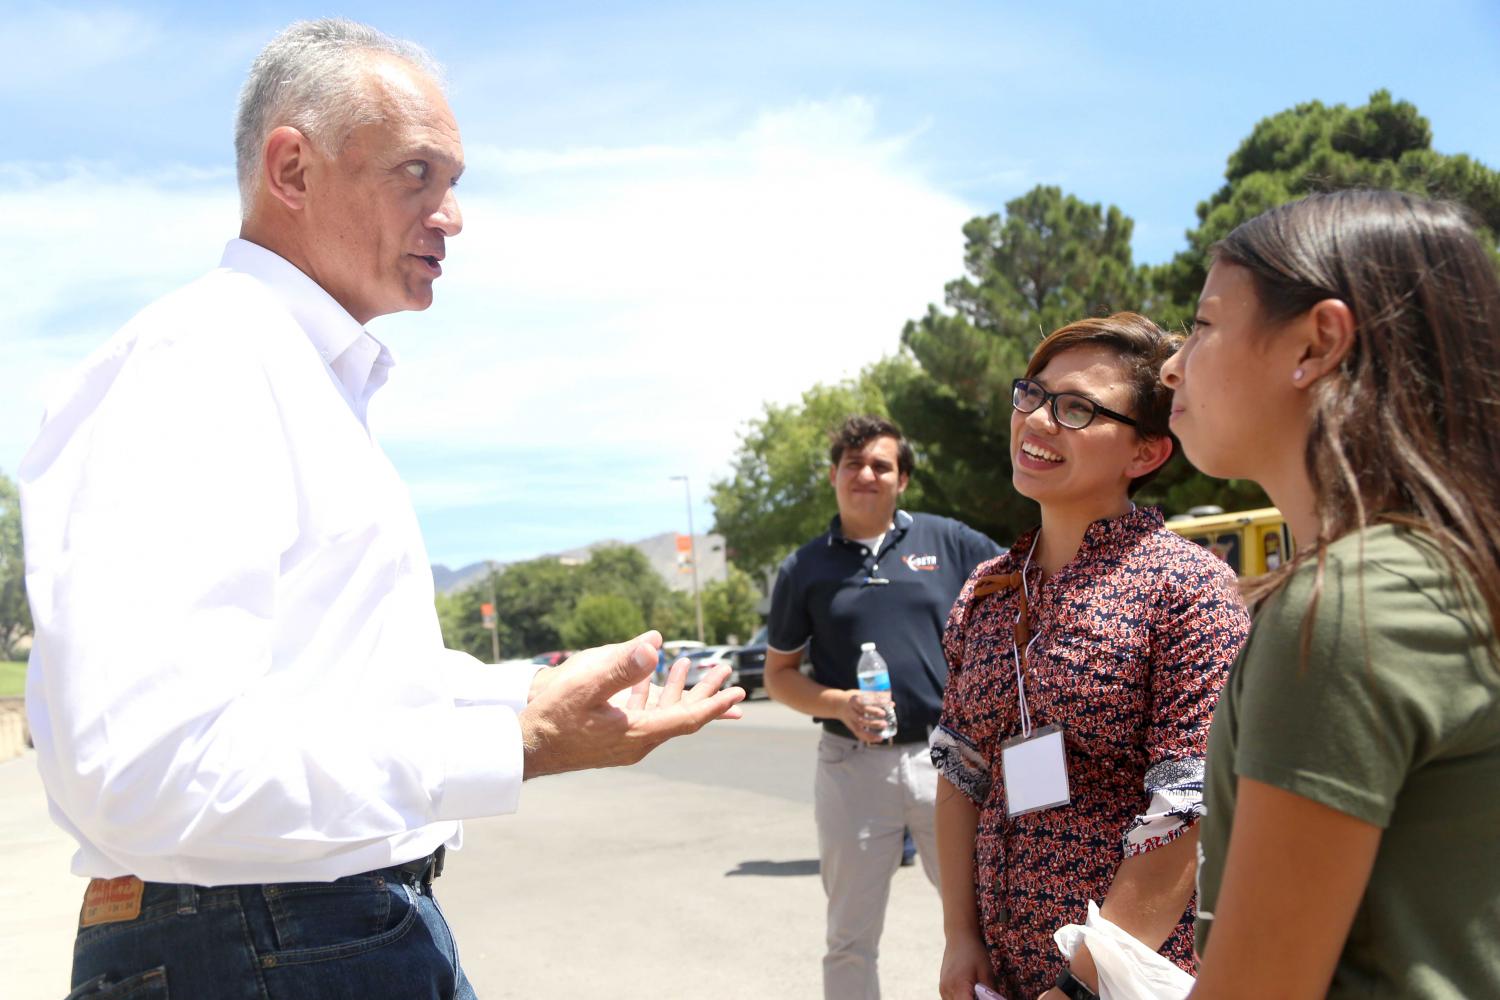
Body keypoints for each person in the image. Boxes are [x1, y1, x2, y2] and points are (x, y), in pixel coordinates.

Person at [19, 19, 743, 999]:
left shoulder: (293, 376)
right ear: (292, 168)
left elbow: (347, 681)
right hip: (258, 942)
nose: (452, 215)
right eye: (417, 174)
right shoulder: (203, 364)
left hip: (312, 933)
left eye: (455, 182)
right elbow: (149, 768)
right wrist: (517, 743)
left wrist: (531, 694)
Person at [1162, 190, 1500, 998]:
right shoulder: (1437, 575)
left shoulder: (1344, 611)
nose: (1173, 363)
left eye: (1204, 325)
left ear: (1315, 345)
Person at [932, 313, 1251, 1000]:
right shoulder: (986, 592)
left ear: (1146, 454)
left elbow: (1187, 810)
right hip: (1001, 972)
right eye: (1033, 394)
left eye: (1076, 408)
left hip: (1127, 981)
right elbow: (961, 775)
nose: (1039, 420)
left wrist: (1080, 987)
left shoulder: (1189, 589)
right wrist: (960, 935)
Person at [764, 414, 1003, 999]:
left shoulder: (948, 541)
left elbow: (1025, 580)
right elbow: (779, 676)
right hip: (851, 769)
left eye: (880, 465)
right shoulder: (803, 569)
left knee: (986, 926)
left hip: (950, 763)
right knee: (850, 936)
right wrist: (839, 702)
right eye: (853, 464)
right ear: (832, 477)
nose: (865, 474)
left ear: (903, 480)